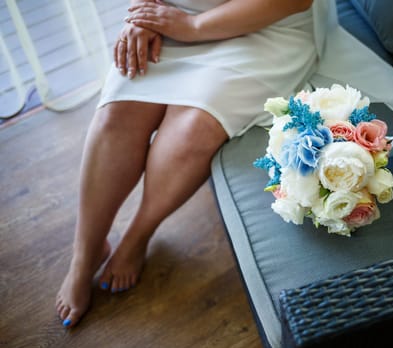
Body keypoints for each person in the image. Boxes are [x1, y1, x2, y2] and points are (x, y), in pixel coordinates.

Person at [55, 0, 316, 328]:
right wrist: (143, 14)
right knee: (115, 116)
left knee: (191, 130)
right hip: (174, 9)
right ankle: (85, 253)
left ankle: (138, 235)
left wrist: (192, 28)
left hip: (264, 26)